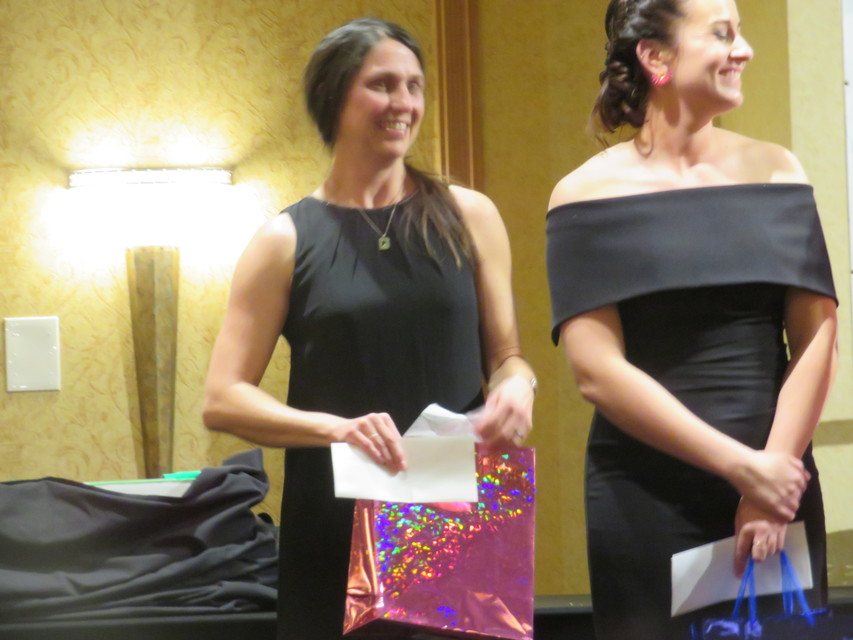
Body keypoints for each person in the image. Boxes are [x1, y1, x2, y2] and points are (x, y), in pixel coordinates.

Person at [202, 17, 536, 640]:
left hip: (454, 509)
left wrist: (519, 384)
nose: (403, 102)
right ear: (334, 97)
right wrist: (338, 428)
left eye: (414, 85)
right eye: (382, 84)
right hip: (335, 520)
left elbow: (507, 355)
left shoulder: (471, 215)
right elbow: (222, 399)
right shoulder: (284, 240)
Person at [545, 0, 837, 638]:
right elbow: (596, 371)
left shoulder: (778, 170)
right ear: (656, 56)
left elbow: (818, 334)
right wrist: (742, 467)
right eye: (723, 34)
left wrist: (768, 478)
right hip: (645, 496)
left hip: (775, 484)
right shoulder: (585, 193)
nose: (744, 51)